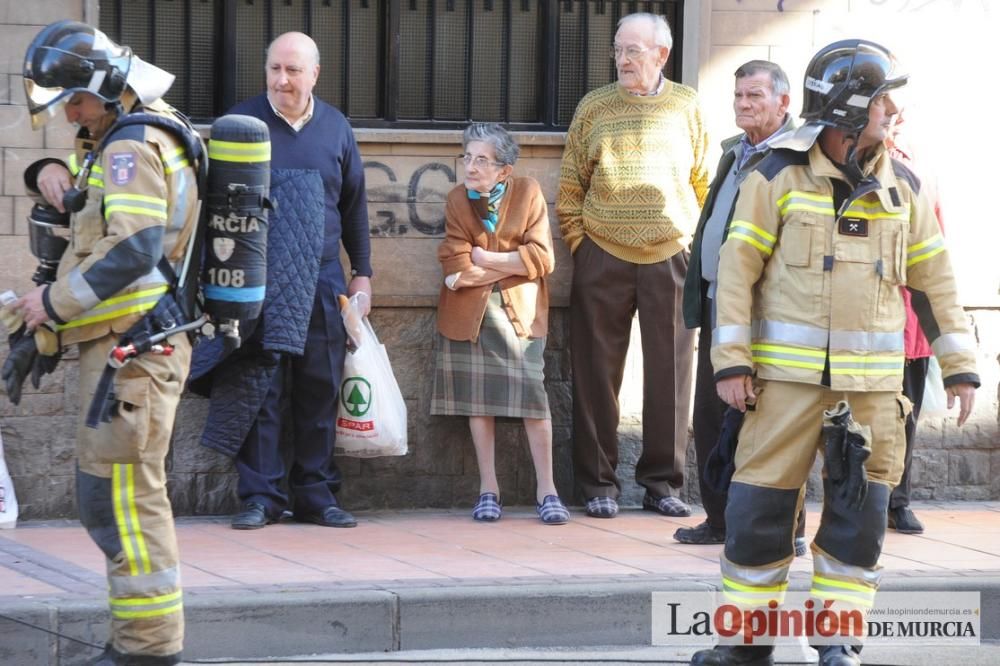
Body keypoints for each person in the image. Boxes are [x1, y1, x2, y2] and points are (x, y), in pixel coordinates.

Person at [691, 40, 978, 666]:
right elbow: (735, 275)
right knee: (758, 516)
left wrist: (960, 368)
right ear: (850, 108)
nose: (894, 110)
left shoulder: (906, 185)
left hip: (871, 396)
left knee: (857, 523)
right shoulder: (775, 176)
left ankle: (838, 642)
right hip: (780, 388)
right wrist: (732, 363)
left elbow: (935, 282)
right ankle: (744, 645)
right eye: (883, 99)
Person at [13, 20, 204, 665]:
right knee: (110, 499)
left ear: (106, 87)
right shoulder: (118, 137)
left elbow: (133, 251)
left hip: (137, 355)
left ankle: (147, 652)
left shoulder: (133, 144)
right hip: (122, 351)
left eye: (75, 99)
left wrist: (49, 307)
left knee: (124, 500)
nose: (69, 112)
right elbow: (86, 210)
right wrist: (45, 171)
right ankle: (136, 645)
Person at [556, 12, 708, 519]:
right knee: (595, 372)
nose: (622, 59)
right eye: (619, 50)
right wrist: (581, 245)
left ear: (661, 55)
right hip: (602, 252)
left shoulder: (687, 105)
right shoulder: (594, 106)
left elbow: (704, 181)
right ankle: (597, 484)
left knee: (672, 373)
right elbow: (571, 187)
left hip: (671, 254)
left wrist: (694, 242)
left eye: (633, 51)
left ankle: (663, 484)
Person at [224, 32, 372, 530]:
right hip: (255, 280)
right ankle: (260, 497)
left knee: (319, 388)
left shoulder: (336, 128)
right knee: (259, 390)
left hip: (322, 278)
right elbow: (215, 209)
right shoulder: (240, 126)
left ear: (314, 74)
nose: (281, 80)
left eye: (291, 70)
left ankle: (315, 494)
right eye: (274, 69)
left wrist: (363, 276)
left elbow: (353, 208)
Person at [677, 60, 798, 547]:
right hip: (717, 306)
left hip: (768, 314)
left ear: (783, 102)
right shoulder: (734, 152)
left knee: (771, 424)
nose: (744, 106)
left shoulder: (795, 157)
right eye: (738, 97)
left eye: (755, 97)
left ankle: (785, 531)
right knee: (710, 415)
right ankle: (720, 521)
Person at [431, 123, 569, 525]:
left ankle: (548, 491)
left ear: (504, 169)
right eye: (467, 158)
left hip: (520, 318)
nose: (471, 167)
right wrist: (513, 264)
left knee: (534, 400)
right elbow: (454, 268)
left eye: (481, 160)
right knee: (479, 404)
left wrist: (487, 260)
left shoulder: (528, 193)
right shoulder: (458, 200)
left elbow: (543, 260)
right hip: (469, 315)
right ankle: (487, 489)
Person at [885, 110, 942, 536]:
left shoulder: (918, 170)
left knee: (906, 417)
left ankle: (897, 501)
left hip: (911, 324)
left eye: (897, 111)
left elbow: (936, 257)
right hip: (869, 322)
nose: (892, 117)